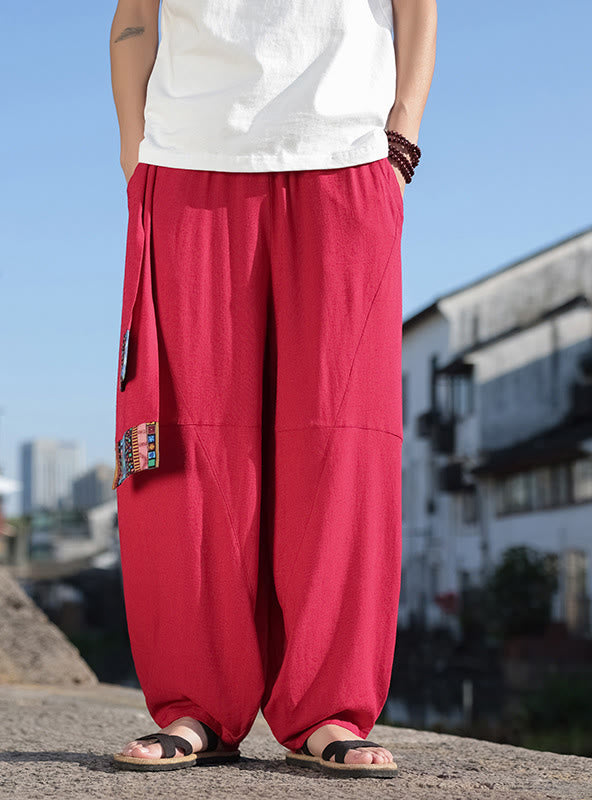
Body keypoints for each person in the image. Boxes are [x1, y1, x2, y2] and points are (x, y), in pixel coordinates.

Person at [108, 0, 436, 779]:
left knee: (342, 440)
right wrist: (136, 153)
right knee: (182, 440)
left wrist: (402, 135)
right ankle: (195, 703)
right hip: (186, 160)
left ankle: (331, 706)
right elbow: (133, 20)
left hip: (346, 158)